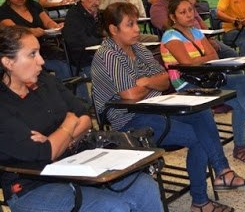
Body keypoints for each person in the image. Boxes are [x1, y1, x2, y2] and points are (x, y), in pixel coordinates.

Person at [92, 2, 245, 212]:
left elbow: (165, 80)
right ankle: (200, 202)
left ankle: (222, 172)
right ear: (114, 30)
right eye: (130, 25)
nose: (136, 29)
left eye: (135, 24)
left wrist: (145, 82)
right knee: (198, 138)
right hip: (129, 120)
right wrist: (150, 81)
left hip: (155, 107)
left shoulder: (138, 48)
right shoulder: (109, 54)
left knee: (201, 111)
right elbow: (130, 95)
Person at [0, 25, 163, 212]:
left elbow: (84, 116)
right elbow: (45, 153)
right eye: (32, 54)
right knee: (112, 207)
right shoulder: (3, 105)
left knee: (144, 186)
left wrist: (60, 138)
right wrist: (69, 123)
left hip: (76, 165)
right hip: (31, 185)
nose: (42, 61)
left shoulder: (44, 81)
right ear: (8, 62)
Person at [161, 0, 245, 164]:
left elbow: (213, 55)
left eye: (190, 10)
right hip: (186, 82)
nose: (189, 15)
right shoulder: (170, 36)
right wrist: (202, 59)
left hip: (205, 77)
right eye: (183, 12)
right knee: (239, 101)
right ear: (173, 17)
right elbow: (186, 64)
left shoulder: (195, 31)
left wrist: (199, 59)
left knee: (242, 81)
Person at [150, 0, 237, 59]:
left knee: (233, 55)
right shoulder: (157, 8)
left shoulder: (184, 2)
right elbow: (172, 26)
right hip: (183, 43)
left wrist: (209, 39)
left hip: (202, 39)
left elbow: (200, 21)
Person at [0, 0, 70, 81]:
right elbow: (12, 29)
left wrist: (55, 26)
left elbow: (47, 22)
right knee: (55, 68)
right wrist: (31, 31)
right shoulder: (3, 11)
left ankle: (70, 91)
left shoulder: (32, 4)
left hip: (44, 46)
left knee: (66, 59)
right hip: (21, 52)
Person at [62, 0, 106, 101]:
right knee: (110, 70)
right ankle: (102, 104)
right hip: (81, 57)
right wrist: (102, 41)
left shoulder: (98, 14)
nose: (97, 2)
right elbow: (78, 41)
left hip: (97, 53)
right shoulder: (74, 15)